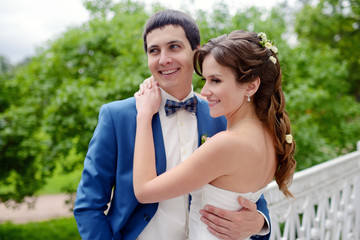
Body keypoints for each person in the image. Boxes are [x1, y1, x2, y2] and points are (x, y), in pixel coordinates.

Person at [74, 9, 272, 240]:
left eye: (174, 47)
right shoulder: (117, 117)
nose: (164, 59)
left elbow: (247, 187)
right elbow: (88, 206)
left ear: (196, 52)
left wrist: (259, 222)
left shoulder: (222, 114)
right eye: (154, 51)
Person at [133, 29, 297, 239]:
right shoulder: (270, 134)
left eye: (216, 81)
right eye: (205, 80)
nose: (206, 90)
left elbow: (144, 191)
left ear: (251, 85)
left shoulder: (227, 144)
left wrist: (144, 116)